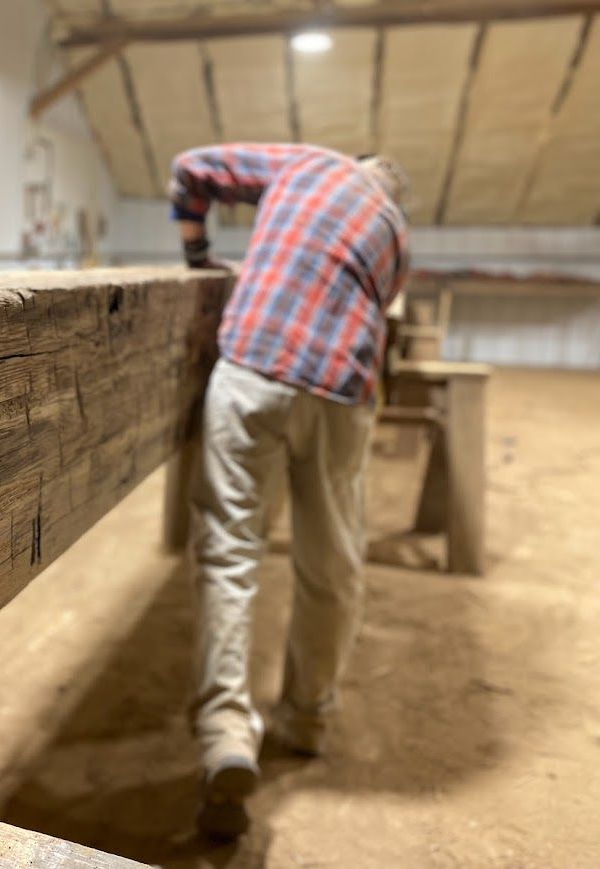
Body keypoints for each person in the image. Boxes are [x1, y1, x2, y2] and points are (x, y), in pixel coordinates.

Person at [169, 144, 410, 839]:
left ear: (354, 162)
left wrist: (195, 253)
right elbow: (380, 312)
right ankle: (303, 718)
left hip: (253, 365)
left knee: (228, 553)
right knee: (329, 566)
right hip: (339, 392)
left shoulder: (306, 164)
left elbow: (190, 169)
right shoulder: (396, 233)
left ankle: (223, 734)